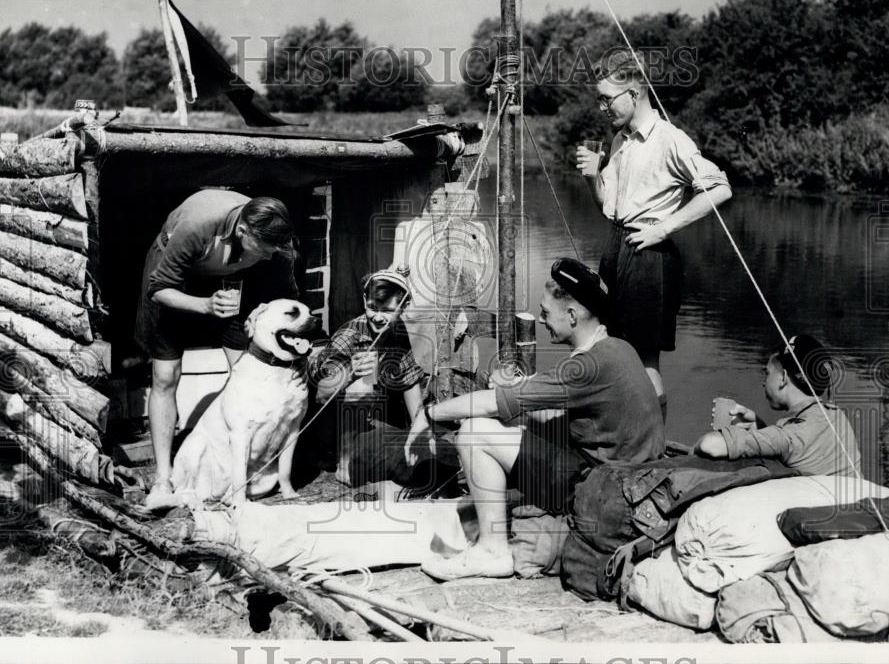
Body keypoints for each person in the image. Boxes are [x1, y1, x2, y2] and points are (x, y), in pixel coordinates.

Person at [406, 258, 665, 581]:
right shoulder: (618, 349)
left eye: (545, 313)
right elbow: (559, 408)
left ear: (572, 316)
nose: (541, 320)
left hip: (606, 495)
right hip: (633, 486)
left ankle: (491, 551)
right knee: (518, 424)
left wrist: (429, 413)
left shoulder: (586, 366)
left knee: (474, 431)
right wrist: (520, 393)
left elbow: (492, 405)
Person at [576, 50, 732, 420]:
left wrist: (662, 228)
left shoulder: (670, 139)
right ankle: (626, 440)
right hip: (618, 247)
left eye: (607, 99)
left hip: (649, 257)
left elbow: (719, 187)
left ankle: (652, 451)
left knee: (644, 358)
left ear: (634, 92)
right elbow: (608, 208)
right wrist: (590, 177)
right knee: (614, 348)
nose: (602, 108)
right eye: (598, 100)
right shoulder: (619, 140)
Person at [137, 190, 299, 509]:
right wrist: (205, 305)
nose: (269, 256)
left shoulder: (275, 248)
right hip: (173, 283)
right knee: (166, 376)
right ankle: (163, 477)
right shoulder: (197, 225)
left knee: (245, 370)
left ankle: (232, 468)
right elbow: (159, 289)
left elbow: (285, 301)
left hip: (231, 282)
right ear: (243, 231)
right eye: (263, 249)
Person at [307, 266, 459, 497]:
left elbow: (409, 382)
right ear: (364, 300)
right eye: (371, 308)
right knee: (362, 388)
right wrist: (351, 371)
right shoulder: (350, 335)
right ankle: (343, 461)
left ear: (404, 307)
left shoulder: (397, 331)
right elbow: (321, 394)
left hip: (366, 420)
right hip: (327, 424)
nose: (378, 317)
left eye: (387, 310)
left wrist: (417, 431)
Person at [694, 334, 862, 478]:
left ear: (783, 377)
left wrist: (731, 434)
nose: (763, 382)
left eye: (767, 373)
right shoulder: (837, 416)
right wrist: (760, 428)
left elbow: (710, 445)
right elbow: (800, 447)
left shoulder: (791, 435)